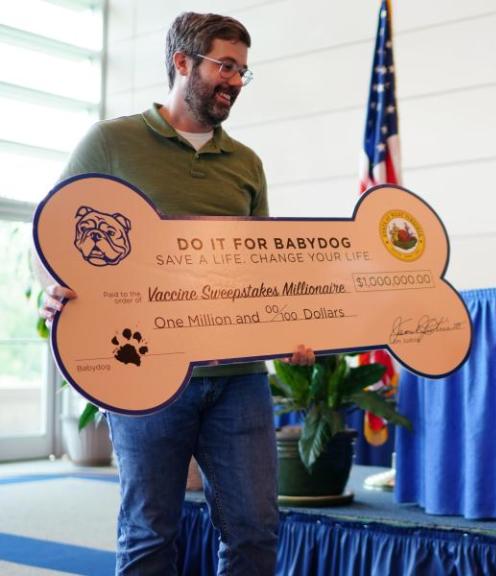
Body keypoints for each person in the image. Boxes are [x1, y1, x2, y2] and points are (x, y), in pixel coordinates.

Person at [38, 12, 315, 575]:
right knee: (149, 534)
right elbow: (52, 237)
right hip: (143, 375)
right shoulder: (111, 143)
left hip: (238, 380)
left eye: (242, 70)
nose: (236, 80)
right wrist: (54, 291)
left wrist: (296, 328)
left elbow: (264, 269)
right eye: (225, 65)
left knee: (256, 532)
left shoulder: (246, 164)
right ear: (183, 62)